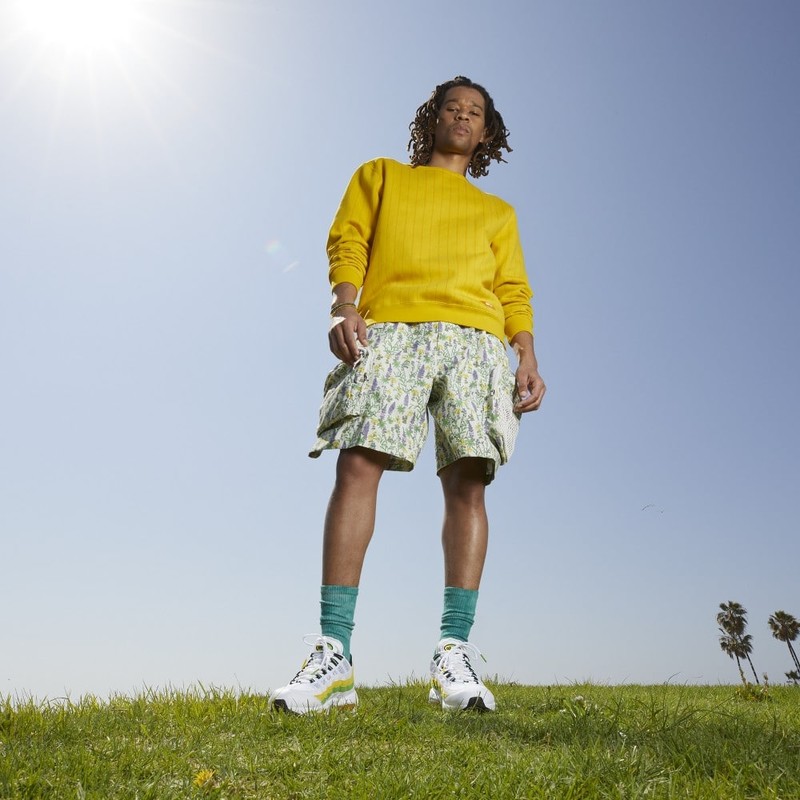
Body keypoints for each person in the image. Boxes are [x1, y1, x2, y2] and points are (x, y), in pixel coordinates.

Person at [269, 76, 545, 714]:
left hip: (476, 341)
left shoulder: (498, 213)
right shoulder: (382, 175)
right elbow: (350, 239)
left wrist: (526, 353)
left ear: (486, 132)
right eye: (453, 106)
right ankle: (333, 654)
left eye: (475, 112)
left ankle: (455, 652)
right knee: (357, 461)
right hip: (390, 328)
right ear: (434, 116)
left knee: (469, 481)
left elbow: (514, 290)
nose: (463, 116)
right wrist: (344, 305)